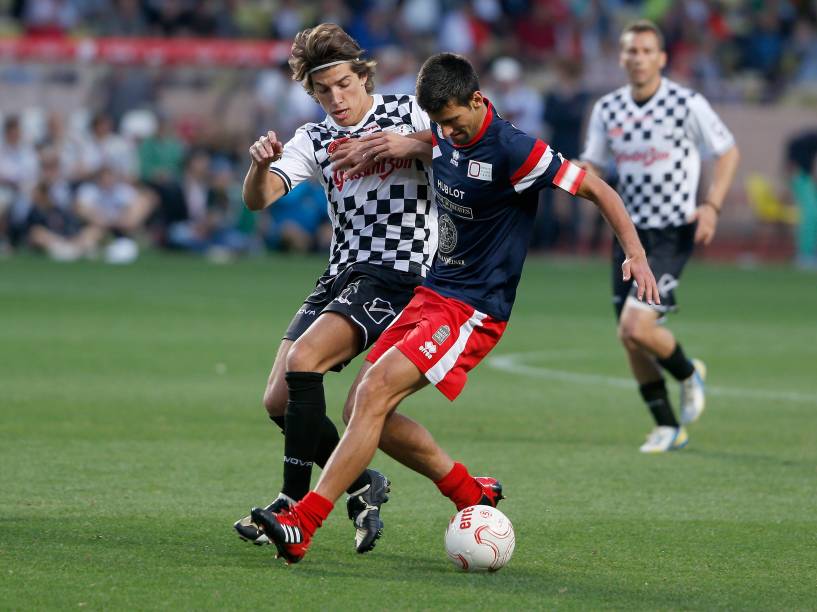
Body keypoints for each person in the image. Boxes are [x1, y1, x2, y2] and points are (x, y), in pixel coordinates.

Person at [249, 52, 659, 564]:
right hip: (431, 293)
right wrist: (412, 141)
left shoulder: (517, 150)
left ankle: (303, 523)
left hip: (474, 308)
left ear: (479, 101)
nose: (447, 132)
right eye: (437, 123)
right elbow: (436, 138)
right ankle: (470, 493)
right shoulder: (443, 130)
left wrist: (636, 254)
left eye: (452, 122)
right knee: (361, 408)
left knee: (373, 394)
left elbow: (597, 188)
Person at [235, 23, 437, 554]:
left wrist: (407, 144)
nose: (336, 98)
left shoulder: (408, 112)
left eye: (344, 84)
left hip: (399, 269)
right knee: (278, 401)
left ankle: (290, 501)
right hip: (340, 273)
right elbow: (259, 200)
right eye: (323, 91)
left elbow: (474, 140)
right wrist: (258, 168)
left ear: (363, 75)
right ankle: (361, 483)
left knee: (305, 362)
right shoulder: (314, 138)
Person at [578, 20, 740, 453]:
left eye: (647, 50)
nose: (638, 58)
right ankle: (667, 426)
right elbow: (593, 163)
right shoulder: (608, 109)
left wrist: (712, 205)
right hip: (627, 234)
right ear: (622, 57)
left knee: (637, 325)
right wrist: (580, 177)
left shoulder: (687, 104)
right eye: (631, 50)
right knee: (628, 337)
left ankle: (688, 373)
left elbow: (728, 152)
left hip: (670, 232)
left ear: (661, 58)